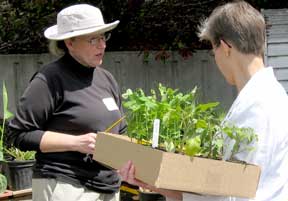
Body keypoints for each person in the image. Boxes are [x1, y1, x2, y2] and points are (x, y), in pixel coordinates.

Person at [119, 1, 288, 201]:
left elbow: (242, 193)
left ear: (225, 47)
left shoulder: (259, 107)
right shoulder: (267, 96)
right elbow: (227, 189)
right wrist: (165, 188)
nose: (215, 58)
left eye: (212, 50)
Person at [7, 4, 127, 201]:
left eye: (103, 37)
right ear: (69, 43)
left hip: (108, 186)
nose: (102, 45)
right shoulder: (49, 79)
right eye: (93, 39)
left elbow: (121, 131)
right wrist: (77, 143)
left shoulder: (107, 79)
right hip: (66, 186)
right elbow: (18, 134)